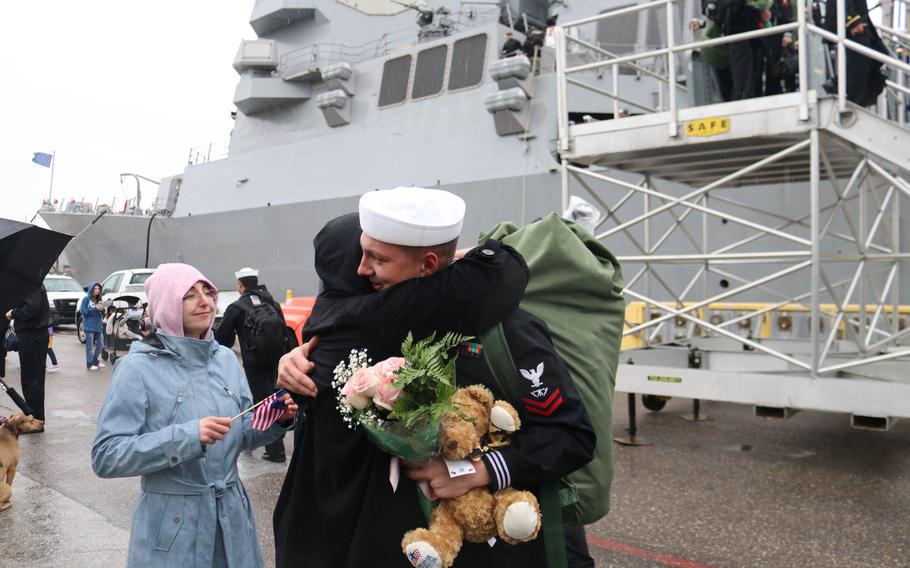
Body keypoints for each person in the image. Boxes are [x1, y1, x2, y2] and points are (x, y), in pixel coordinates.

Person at [275, 187, 596, 567]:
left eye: (377, 258)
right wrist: (291, 375)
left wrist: (476, 471)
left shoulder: (505, 331)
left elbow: (572, 434)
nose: (362, 269)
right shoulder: (380, 331)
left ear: (427, 265)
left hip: (499, 543)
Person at [91, 263, 297, 567]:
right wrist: (186, 437)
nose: (206, 301)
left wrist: (276, 418)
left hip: (233, 522)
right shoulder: (136, 369)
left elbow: (240, 431)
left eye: (208, 292)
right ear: (166, 304)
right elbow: (107, 456)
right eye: (189, 295)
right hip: (174, 532)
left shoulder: (226, 359)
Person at [215, 267, 293, 463]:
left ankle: (275, 451)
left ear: (240, 285)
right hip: (277, 360)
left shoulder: (236, 307)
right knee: (277, 398)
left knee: (260, 400)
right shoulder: (273, 304)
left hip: (254, 363)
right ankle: (276, 444)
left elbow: (223, 339)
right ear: (256, 282)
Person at [823, 0, 888, 106]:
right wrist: (852, 21)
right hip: (851, 21)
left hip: (860, 19)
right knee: (860, 58)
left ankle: (846, 87)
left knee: (881, 53)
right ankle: (850, 95)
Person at [5, 286, 51, 425]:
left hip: (33, 335)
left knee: (33, 379)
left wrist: (13, 312)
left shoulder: (34, 286)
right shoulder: (31, 285)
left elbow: (31, 310)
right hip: (31, 335)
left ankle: (36, 420)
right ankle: (33, 416)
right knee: (30, 378)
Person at [80, 282, 106, 370]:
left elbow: (101, 312)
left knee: (101, 345)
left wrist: (103, 309)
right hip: (89, 325)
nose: (97, 291)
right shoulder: (86, 299)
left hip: (98, 325)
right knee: (90, 346)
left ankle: (95, 361)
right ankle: (90, 364)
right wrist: (95, 308)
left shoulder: (99, 299)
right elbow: (83, 311)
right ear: (91, 289)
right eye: (95, 289)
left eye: (98, 289)